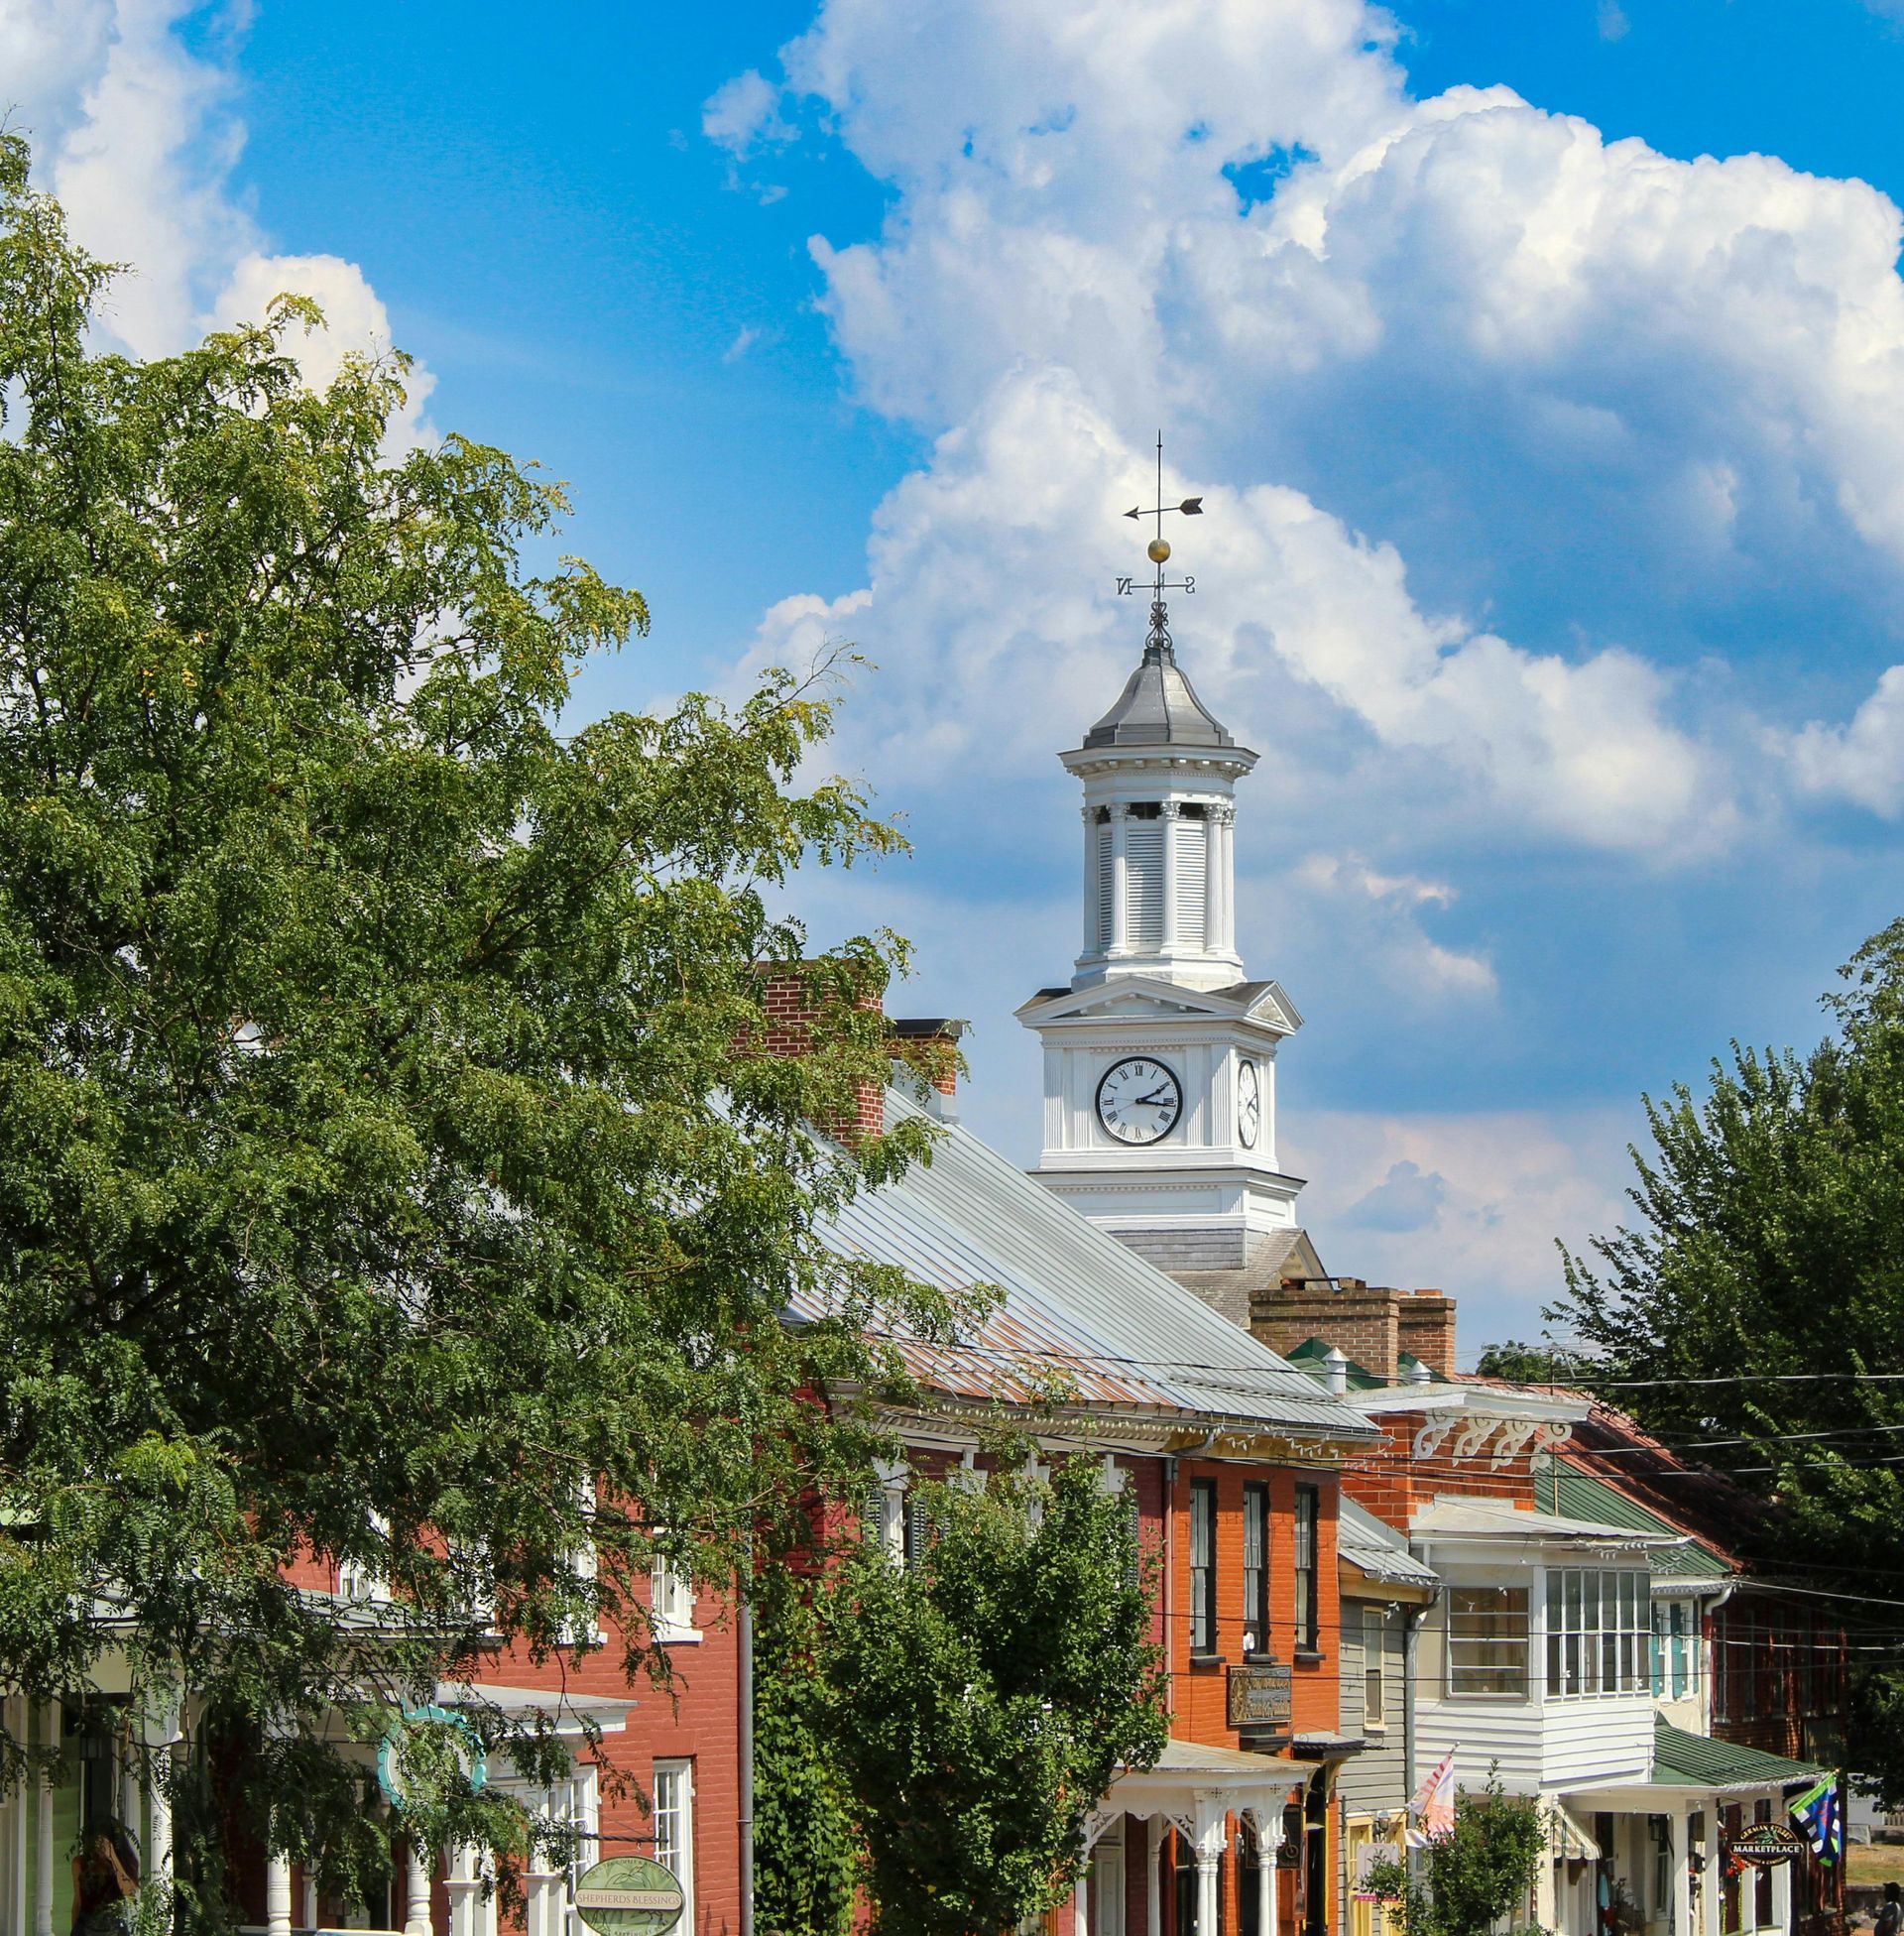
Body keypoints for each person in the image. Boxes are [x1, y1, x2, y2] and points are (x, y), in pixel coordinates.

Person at [70, 1820, 140, 1935]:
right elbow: (78, 1901)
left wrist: (113, 1858)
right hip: (87, 1925)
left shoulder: (122, 1864)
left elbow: (129, 1892)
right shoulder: (81, 1863)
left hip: (114, 1927)